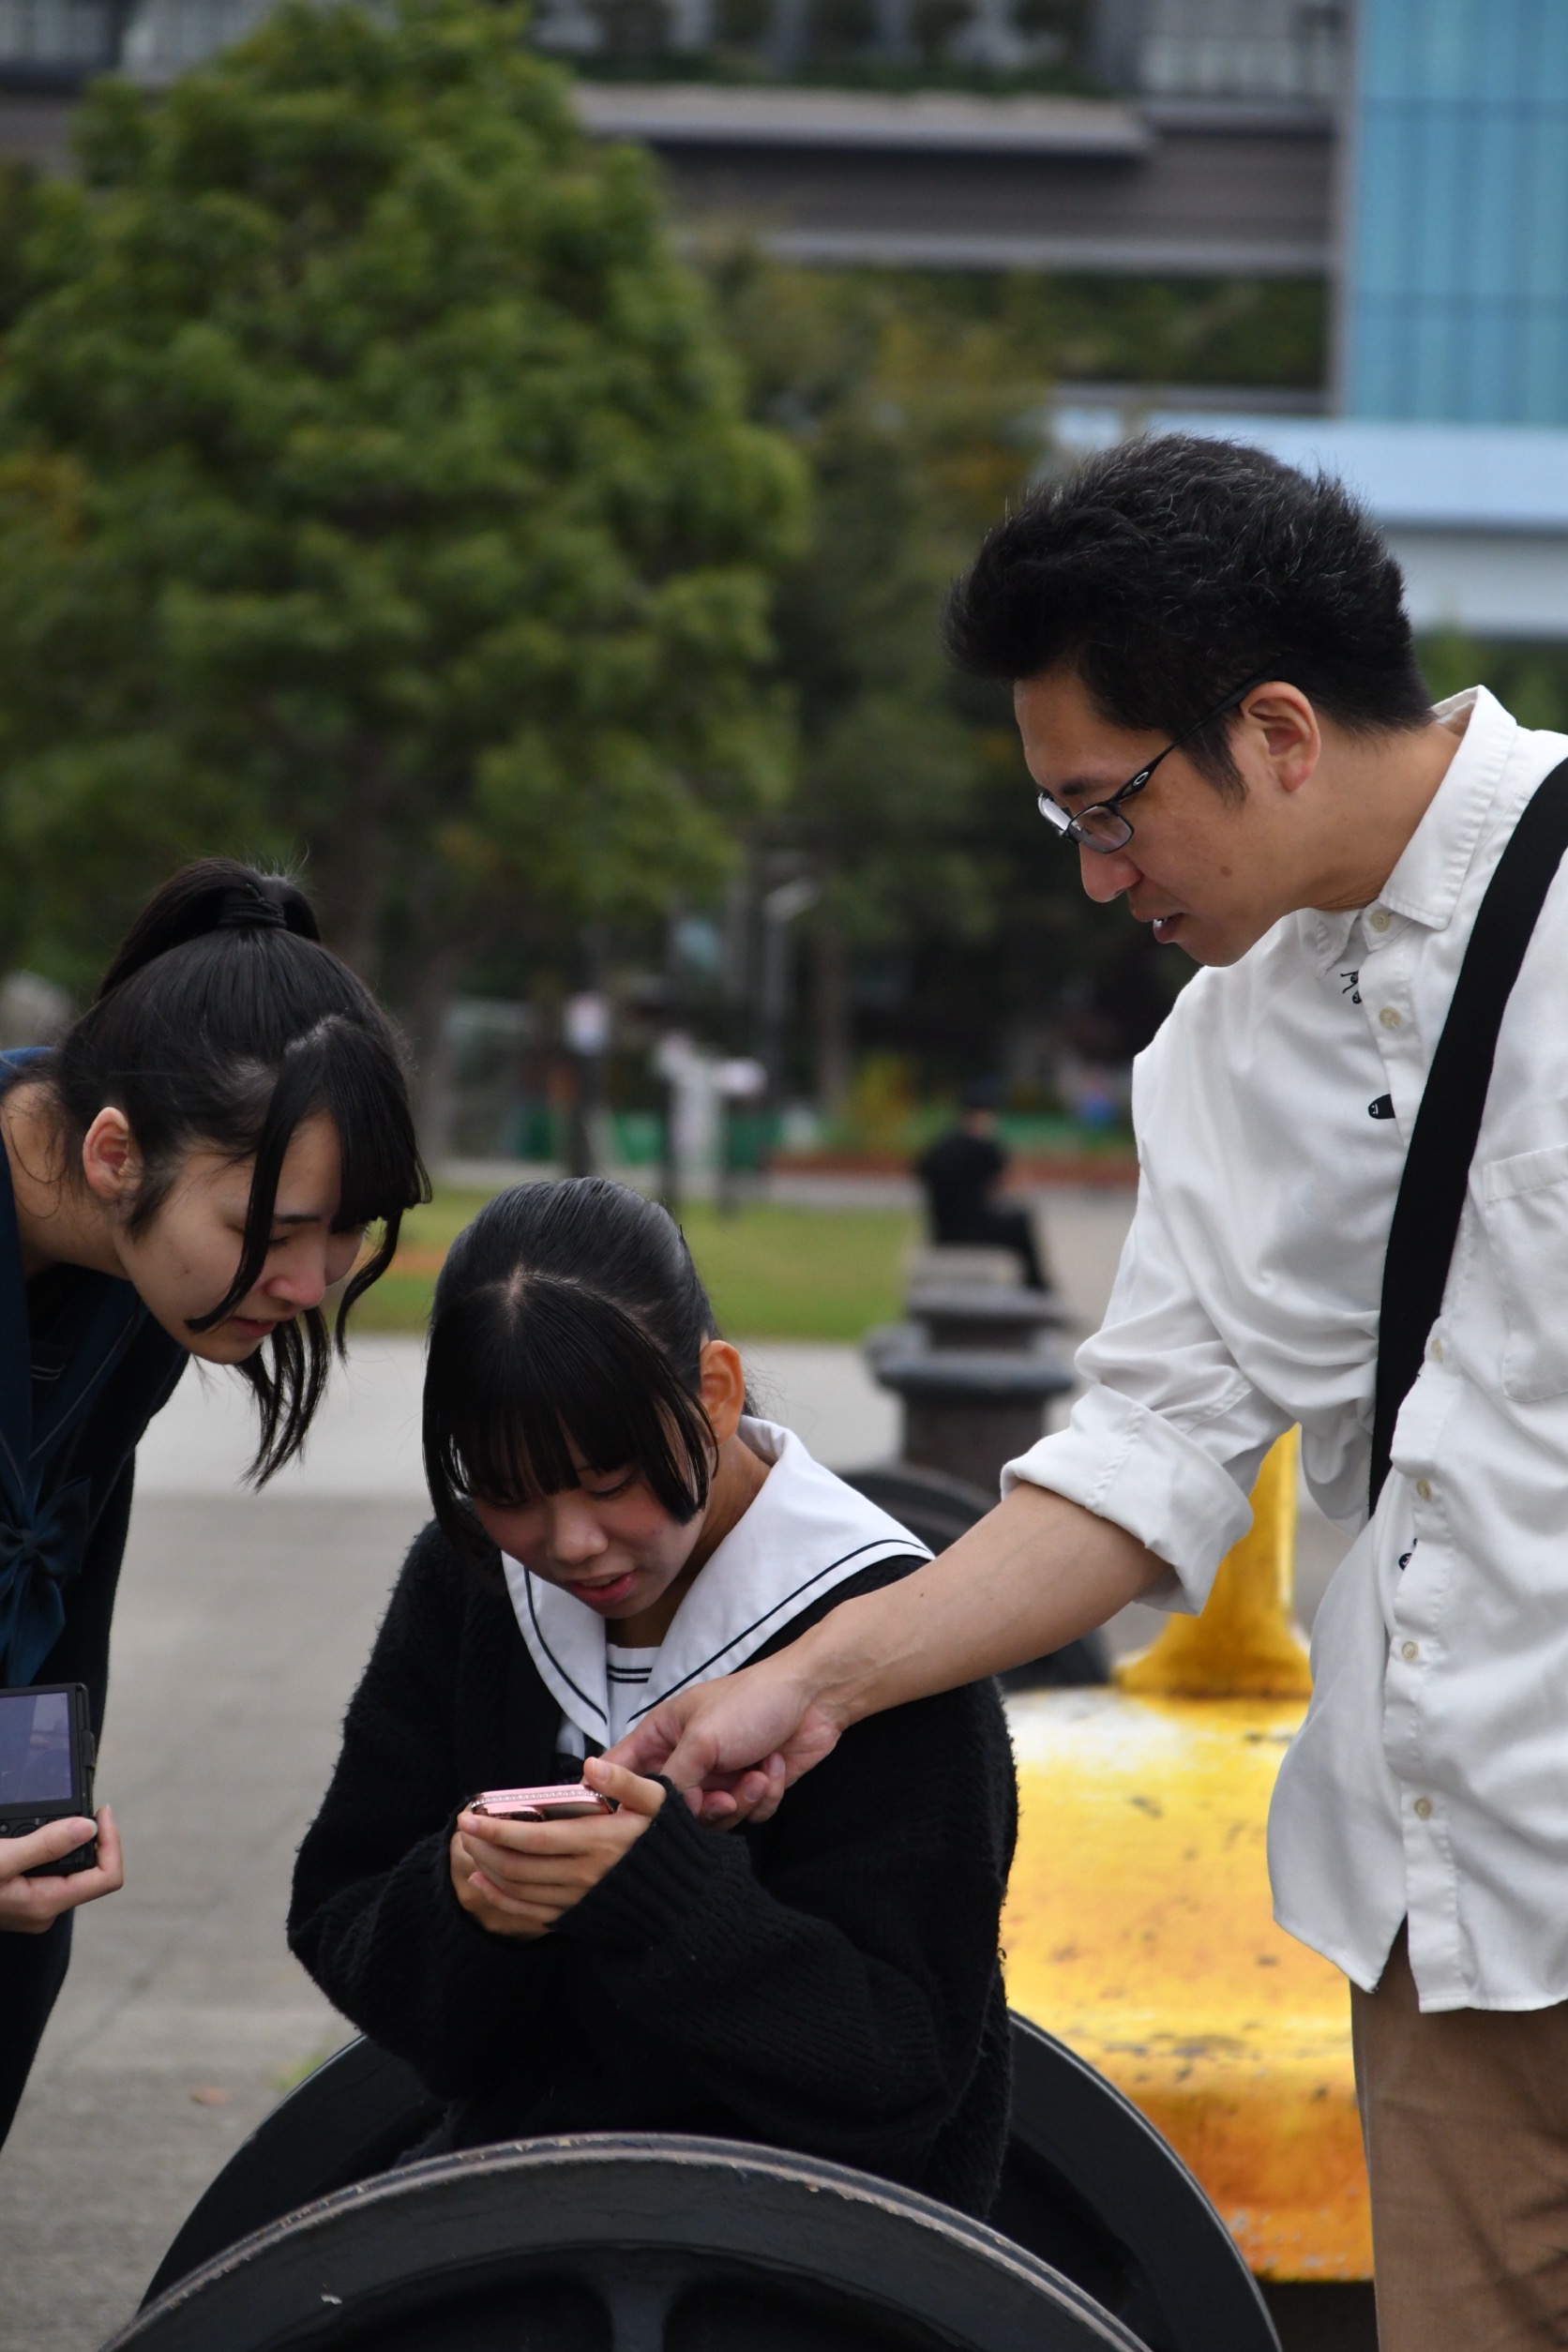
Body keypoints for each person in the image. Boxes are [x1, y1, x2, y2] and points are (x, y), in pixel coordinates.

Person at [612, 433, 1568, 2349]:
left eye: (1107, 807)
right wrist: (813, 1681)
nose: (1095, 873)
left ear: (1274, 731)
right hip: (1448, 1918)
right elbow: (1143, 1456)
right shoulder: (1221, 1047)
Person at [289, 1178, 1016, 2216]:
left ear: (714, 1391)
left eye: (607, 1478)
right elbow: (341, 1912)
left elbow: (902, 2068)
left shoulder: (886, 1631)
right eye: (507, 1489)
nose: (570, 1542)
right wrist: (466, 1899)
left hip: (816, 2245)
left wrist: (660, 1896)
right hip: (513, 2201)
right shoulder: (473, 1583)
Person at [0, 856, 426, 2147]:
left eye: (344, 1231)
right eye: (273, 1229)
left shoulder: (145, 1273)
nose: (309, 1282)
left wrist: (35, 1809)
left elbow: (58, 1561)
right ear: (113, 1152)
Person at [915, 1081, 1048, 1291]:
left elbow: (922, 1174)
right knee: (1021, 1222)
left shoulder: (940, 1145)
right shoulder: (983, 1147)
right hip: (971, 1230)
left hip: (942, 1232)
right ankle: (1037, 1288)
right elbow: (1012, 1186)